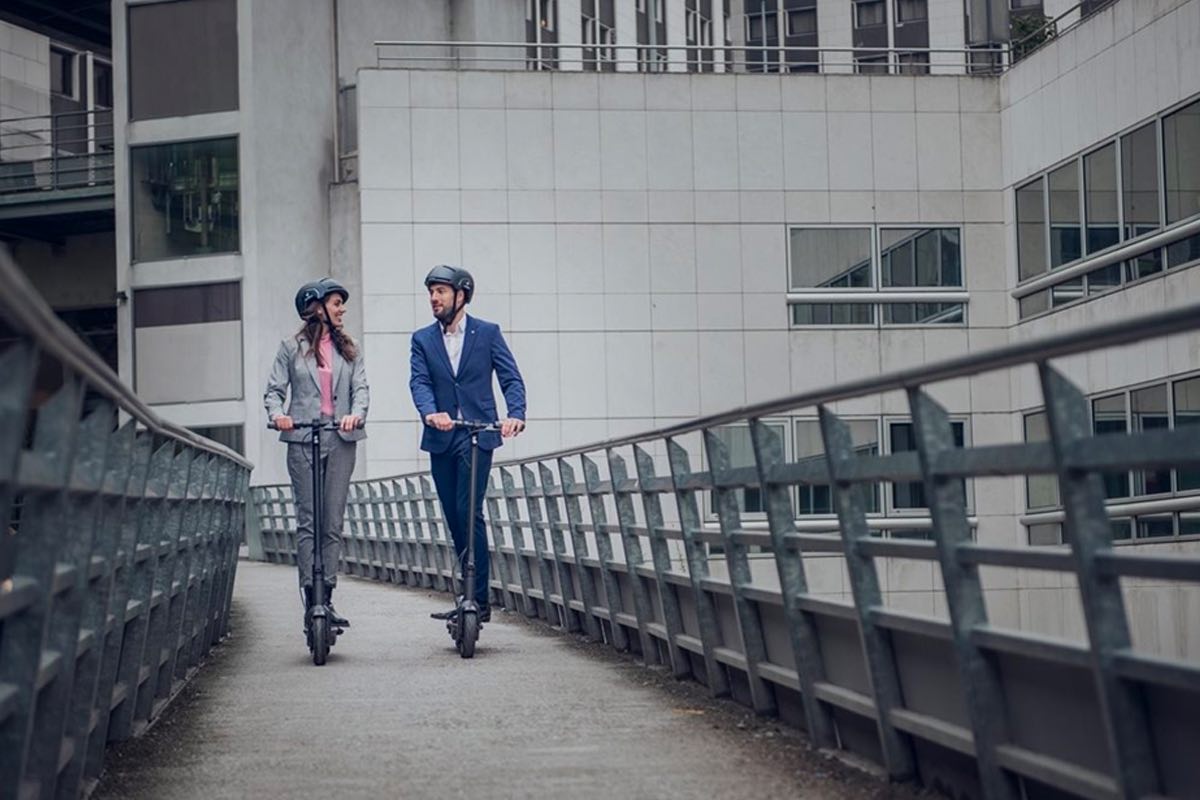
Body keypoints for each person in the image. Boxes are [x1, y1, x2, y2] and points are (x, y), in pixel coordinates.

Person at [410, 265, 526, 623]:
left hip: (478, 434)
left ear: (461, 295)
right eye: (431, 292)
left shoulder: (487, 333)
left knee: (468, 511)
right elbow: (419, 383)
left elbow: (511, 378)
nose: (434, 298)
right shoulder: (423, 339)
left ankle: (478, 599)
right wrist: (431, 413)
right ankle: (468, 594)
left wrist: (515, 414)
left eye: (441, 291)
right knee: (453, 516)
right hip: (441, 435)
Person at [265, 277, 368, 629]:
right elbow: (274, 391)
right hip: (302, 439)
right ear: (317, 307)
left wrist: (357, 413)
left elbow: (361, 388)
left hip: (340, 438)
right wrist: (278, 416)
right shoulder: (290, 347)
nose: (342, 310)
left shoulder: (349, 348)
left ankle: (328, 597)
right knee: (309, 522)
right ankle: (312, 598)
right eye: (337, 303)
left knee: (333, 524)